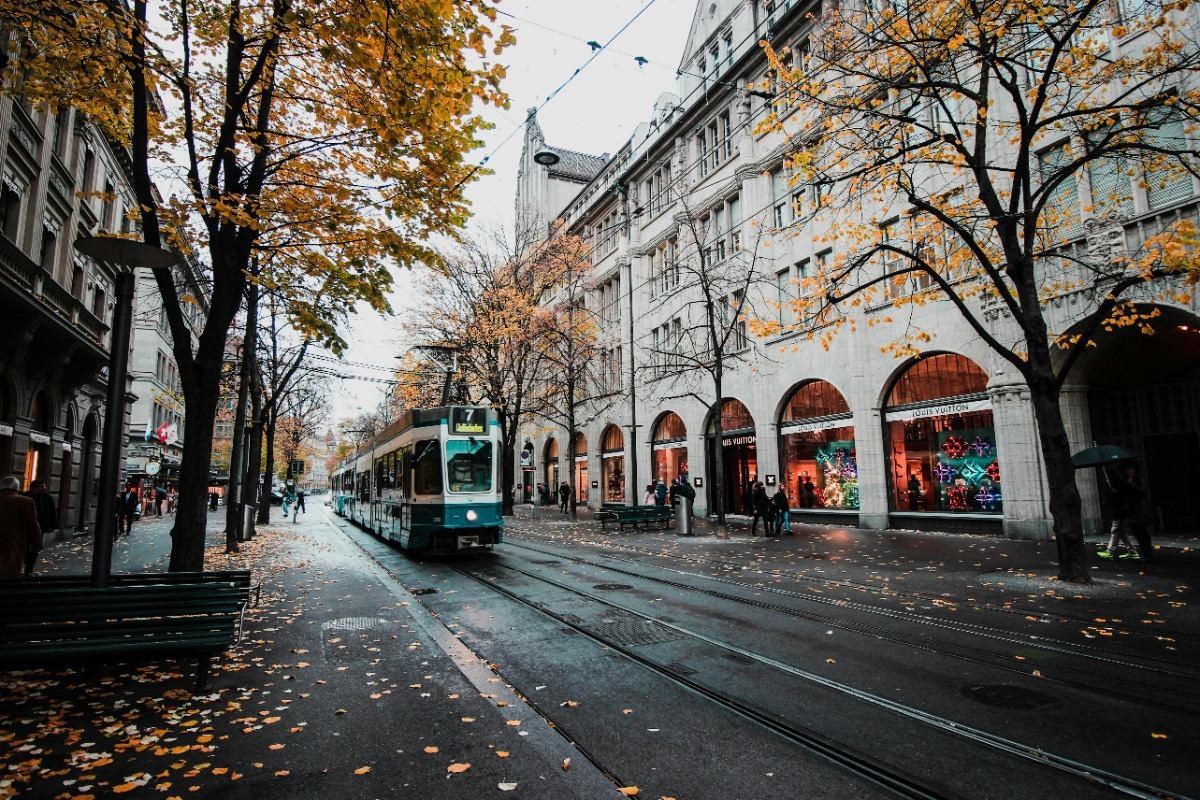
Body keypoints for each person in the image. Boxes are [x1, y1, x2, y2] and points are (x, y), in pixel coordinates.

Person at [1100, 464, 1144, 560]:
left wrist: (1117, 492)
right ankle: (1132, 550)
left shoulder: (1129, 481)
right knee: (1121, 531)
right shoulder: (1124, 481)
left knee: (1115, 529)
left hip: (1121, 510)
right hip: (1121, 509)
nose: (1129, 471)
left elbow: (1134, 493)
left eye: (1130, 468)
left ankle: (1110, 551)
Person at [0, 476, 41, 577]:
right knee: (10, 571)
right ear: (16, 487)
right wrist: (37, 544)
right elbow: (32, 524)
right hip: (14, 541)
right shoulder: (25, 501)